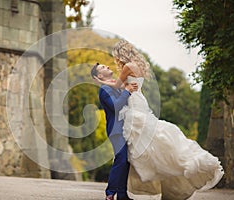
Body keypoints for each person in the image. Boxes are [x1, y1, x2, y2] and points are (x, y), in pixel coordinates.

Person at [94, 40, 224, 200]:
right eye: (104, 68)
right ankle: (119, 193)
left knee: (131, 152)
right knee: (135, 150)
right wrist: (109, 84)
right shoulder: (136, 66)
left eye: (115, 57)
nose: (112, 63)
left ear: (120, 54)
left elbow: (120, 86)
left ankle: (117, 192)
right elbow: (120, 89)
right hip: (137, 102)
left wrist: (104, 82)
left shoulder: (127, 68)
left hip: (133, 104)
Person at [91, 63, 138, 200]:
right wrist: (127, 91)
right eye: (103, 68)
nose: (108, 67)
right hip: (116, 130)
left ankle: (122, 195)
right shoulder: (104, 89)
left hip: (127, 128)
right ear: (99, 76)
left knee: (126, 161)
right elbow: (116, 106)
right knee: (121, 159)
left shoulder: (113, 86)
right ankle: (110, 193)